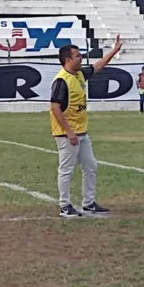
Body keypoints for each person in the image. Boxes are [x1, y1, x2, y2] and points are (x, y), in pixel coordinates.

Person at [50, 35, 123, 218]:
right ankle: (64, 205)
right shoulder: (61, 80)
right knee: (66, 169)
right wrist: (69, 131)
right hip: (67, 135)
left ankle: (88, 203)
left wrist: (113, 51)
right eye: (78, 56)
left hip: (82, 132)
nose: (81, 58)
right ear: (68, 60)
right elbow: (55, 108)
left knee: (90, 166)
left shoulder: (80, 74)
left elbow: (98, 66)